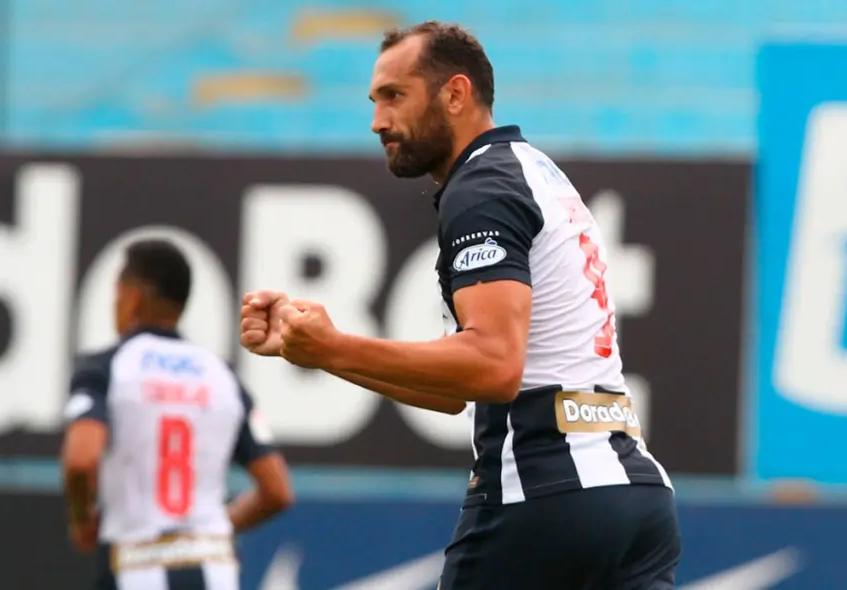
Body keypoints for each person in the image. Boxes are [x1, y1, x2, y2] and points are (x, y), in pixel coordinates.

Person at [240, 20, 680, 590]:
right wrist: (325, 354)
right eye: (375, 101)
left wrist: (336, 345)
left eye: (394, 96)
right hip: (634, 496)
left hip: (545, 495)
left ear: (455, 93)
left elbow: (494, 367)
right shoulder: (536, 172)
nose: (378, 122)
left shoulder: (482, 188)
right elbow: (458, 393)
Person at [61, 239, 294, 590]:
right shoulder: (221, 377)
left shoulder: (106, 368)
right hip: (214, 568)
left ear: (133, 297)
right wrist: (210, 529)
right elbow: (277, 491)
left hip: (136, 564)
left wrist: (81, 518)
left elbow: (81, 460)